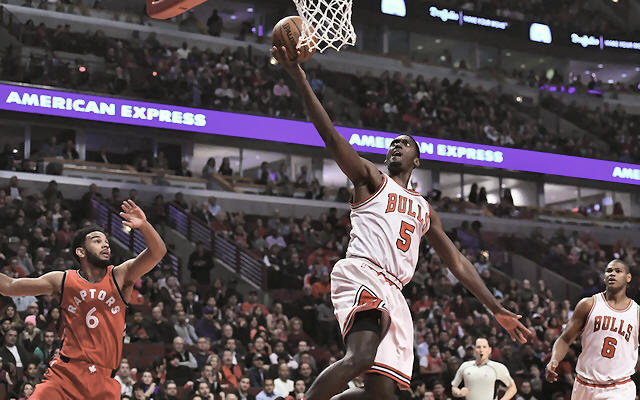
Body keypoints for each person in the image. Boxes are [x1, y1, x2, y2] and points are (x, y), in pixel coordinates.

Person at [271, 45, 529, 400]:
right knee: (360, 356)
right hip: (363, 273)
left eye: (404, 144)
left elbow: (457, 262)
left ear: (417, 160)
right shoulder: (371, 179)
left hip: (394, 292)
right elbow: (330, 136)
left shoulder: (424, 210)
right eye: (392, 143)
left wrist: (495, 307)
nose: (396, 146)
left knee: (382, 395)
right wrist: (299, 78)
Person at [0, 200, 167, 399]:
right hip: (65, 375)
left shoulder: (120, 276)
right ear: (81, 251)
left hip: (104, 381)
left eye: (106, 241)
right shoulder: (63, 280)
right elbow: (9, 287)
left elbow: (157, 253)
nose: (105, 244)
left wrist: (144, 226)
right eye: (97, 240)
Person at [545, 259, 638, 399]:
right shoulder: (588, 305)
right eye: (609, 271)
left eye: (618, 271)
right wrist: (554, 360)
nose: (612, 274)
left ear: (628, 277)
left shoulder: (637, 313)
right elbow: (565, 339)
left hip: (619, 387)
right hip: (584, 385)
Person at [451, 338, 516, 400]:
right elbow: (454, 387)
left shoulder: (498, 367)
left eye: (484, 347)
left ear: (489, 350)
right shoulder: (465, 366)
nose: (481, 350)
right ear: (474, 350)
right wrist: (459, 393)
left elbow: (512, 388)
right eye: (478, 347)